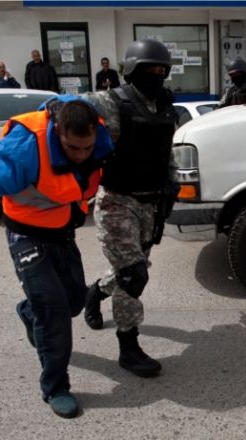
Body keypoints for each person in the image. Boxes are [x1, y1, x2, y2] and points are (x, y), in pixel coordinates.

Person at [0, 96, 114, 419]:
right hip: (25, 233)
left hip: (62, 232)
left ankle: (29, 312)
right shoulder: (25, 144)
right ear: (57, 132)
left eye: (87, 149)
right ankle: (55, 386)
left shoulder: (99, 138)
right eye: (72, 148)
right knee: (53, 310)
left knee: (74, 302)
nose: (81, 155)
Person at [83, 38, 179, 378]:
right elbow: (72, 107)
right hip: (117, 201)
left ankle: (95, 292)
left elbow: (166, 151)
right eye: (149, 69)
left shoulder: (164, 105)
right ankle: (129, 346)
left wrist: (171, 182)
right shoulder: (112, 102)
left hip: (151, 202)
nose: (157, 75)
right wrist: (57, 106)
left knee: (134, 266)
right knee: (133, 275)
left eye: (162, 70)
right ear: (132, 71)